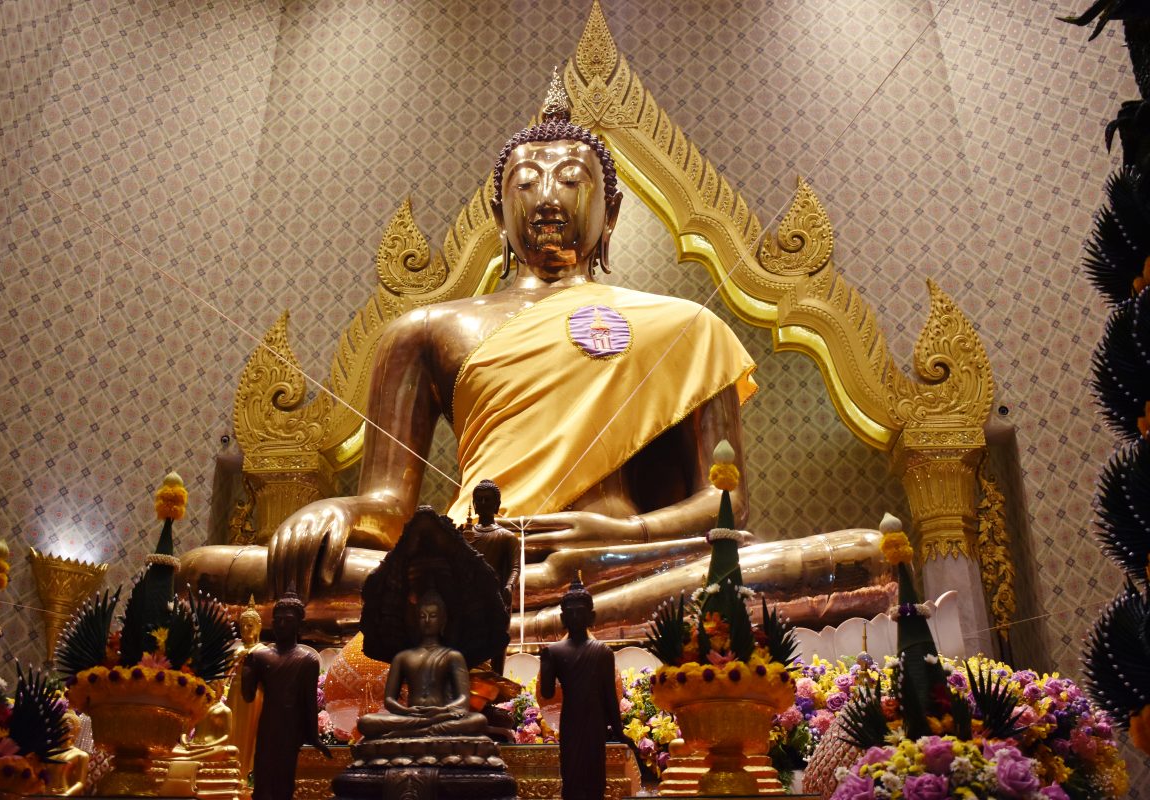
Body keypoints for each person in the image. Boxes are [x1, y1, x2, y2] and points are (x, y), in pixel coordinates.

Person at [179, 75, 886, 636]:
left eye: (572, 180)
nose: (548, 196)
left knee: (866, 555)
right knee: (203, 571)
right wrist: (335, 511)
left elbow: (723, 511)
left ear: (611, 212)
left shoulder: (682, 328)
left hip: (617, 561)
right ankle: (511, 603)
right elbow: (391, 506)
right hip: (458, 561)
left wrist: (617, 531)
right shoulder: (425, 329)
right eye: (526, 182)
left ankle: (521, 602)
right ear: (498, 212)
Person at [356, 590, 488, 739]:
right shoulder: (403, 657)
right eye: (422, 616)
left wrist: (442, 711)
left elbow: (463, 700)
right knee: (366, 722)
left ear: (442, 620)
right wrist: (406, 712)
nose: (427, 620)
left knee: (479, 721)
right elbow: (389, 700)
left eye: (432, 616)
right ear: (416, 621)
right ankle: (424, 732)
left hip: (441, 716)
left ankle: (412, 734)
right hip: (411, 717)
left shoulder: (452, 656)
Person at [240, 592, 331, 800]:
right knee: (263, 776)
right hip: (268, 725)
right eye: (277, 620)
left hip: (291, 728)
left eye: (288, 620)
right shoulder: (261, 656)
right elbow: (247, 696)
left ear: (299, 625)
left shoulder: (307, 659)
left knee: (283, 780)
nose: (281, 624)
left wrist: (314, 737)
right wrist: (247, 671)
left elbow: (309, 702)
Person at [539, 577, 621, 800]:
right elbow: (547, 693)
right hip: (571, 722)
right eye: (570, 613)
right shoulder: (553, 652)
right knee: (572, 778)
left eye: (581, 612)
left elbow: (609, 697)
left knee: (595, 778)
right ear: (563, 618)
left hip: (595, 723)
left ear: (591, 616)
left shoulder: (603, 652)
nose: (575, 617)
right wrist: (546, 665)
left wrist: (620, 730)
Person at [463, 480, 519, 675]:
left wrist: (509, 586)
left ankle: (495, 685)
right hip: (469, 599)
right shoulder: (464, 533)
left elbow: (514, 567)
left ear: (497, 504)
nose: (484, 503)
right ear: (474, 504)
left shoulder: (506, 537)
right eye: (480, 500)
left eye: (488, 499)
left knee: (495, 645)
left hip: (494, 599)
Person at [228, 599, 267, 785]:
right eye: (242, 626)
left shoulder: (263, 651)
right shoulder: (236, 651)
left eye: (250, 625)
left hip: (254, 696)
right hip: (234, 695)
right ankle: (231, 772)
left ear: (259, 627)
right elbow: (224, 675)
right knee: (233, 730)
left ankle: (248, 773)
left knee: (251, 733)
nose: (246, 630)